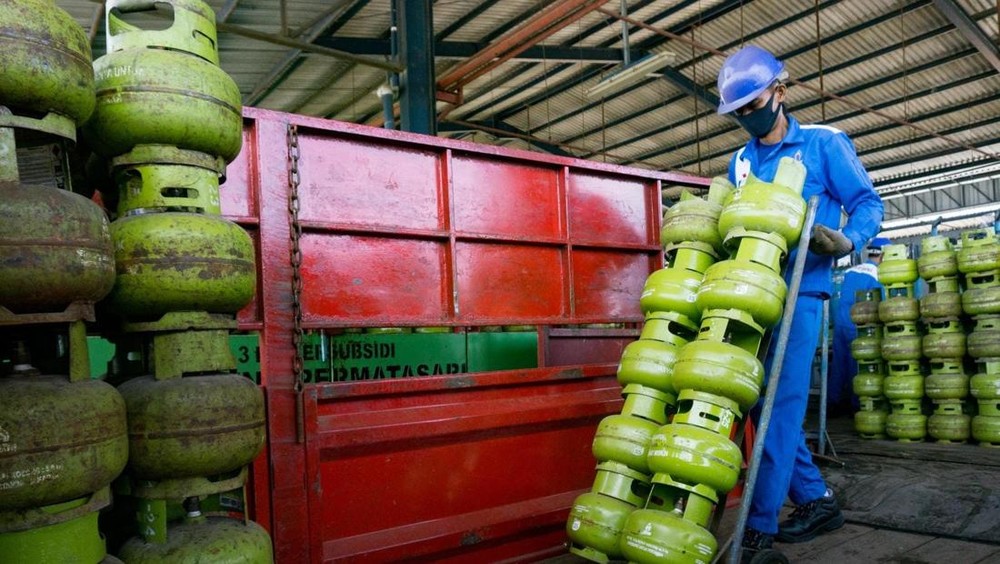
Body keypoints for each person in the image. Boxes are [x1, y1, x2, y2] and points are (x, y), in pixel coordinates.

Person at [715, 45, 885, 560]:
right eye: (738, 112)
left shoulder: (823, 144)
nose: (748, 117)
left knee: (780, 410)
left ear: (781, 93)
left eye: (754, 105)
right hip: (747, 298)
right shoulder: (740, 162)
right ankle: (816, 499)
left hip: (799, 298)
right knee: (754, 404)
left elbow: (867, 202)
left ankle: (759, 526)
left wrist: (849, 240)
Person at [830, 237, 891, 416]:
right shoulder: (877, 275)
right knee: (860, 364)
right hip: (859, 324)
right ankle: (858, 404)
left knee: (839, 364)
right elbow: (883, 305)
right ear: (884, 254)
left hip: (841, 321)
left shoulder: (851, 271)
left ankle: (832, 403)